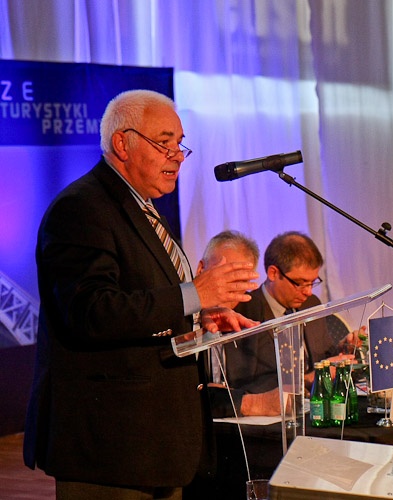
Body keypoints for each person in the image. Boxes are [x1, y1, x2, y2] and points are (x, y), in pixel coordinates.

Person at [23, 89, 259, 500]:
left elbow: (141, 299)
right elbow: (91, 311)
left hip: (155, 443)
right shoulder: (81, 208)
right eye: (164, 143)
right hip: (111, 446)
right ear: (122, 143)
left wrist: (196, 317)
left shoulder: (144, 210)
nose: (178, 156)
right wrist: (193, 295)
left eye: (180, 144)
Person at [224, 231, 363, 394]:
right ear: (273, 273)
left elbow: (322, 357)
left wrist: (344, 350)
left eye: (312, 282)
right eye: (300, 283)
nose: (308, 292)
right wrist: (305, 380)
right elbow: (240, 386)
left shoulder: (311, 304)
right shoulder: (243, 311)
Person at [195, 229, 286, 417]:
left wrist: (230, 398)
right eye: (224, 277)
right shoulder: (180, 315)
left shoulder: (252, 309)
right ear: (201, 270)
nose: (229, 290)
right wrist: (244, 402)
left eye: (239, 282)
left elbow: (271, 376)